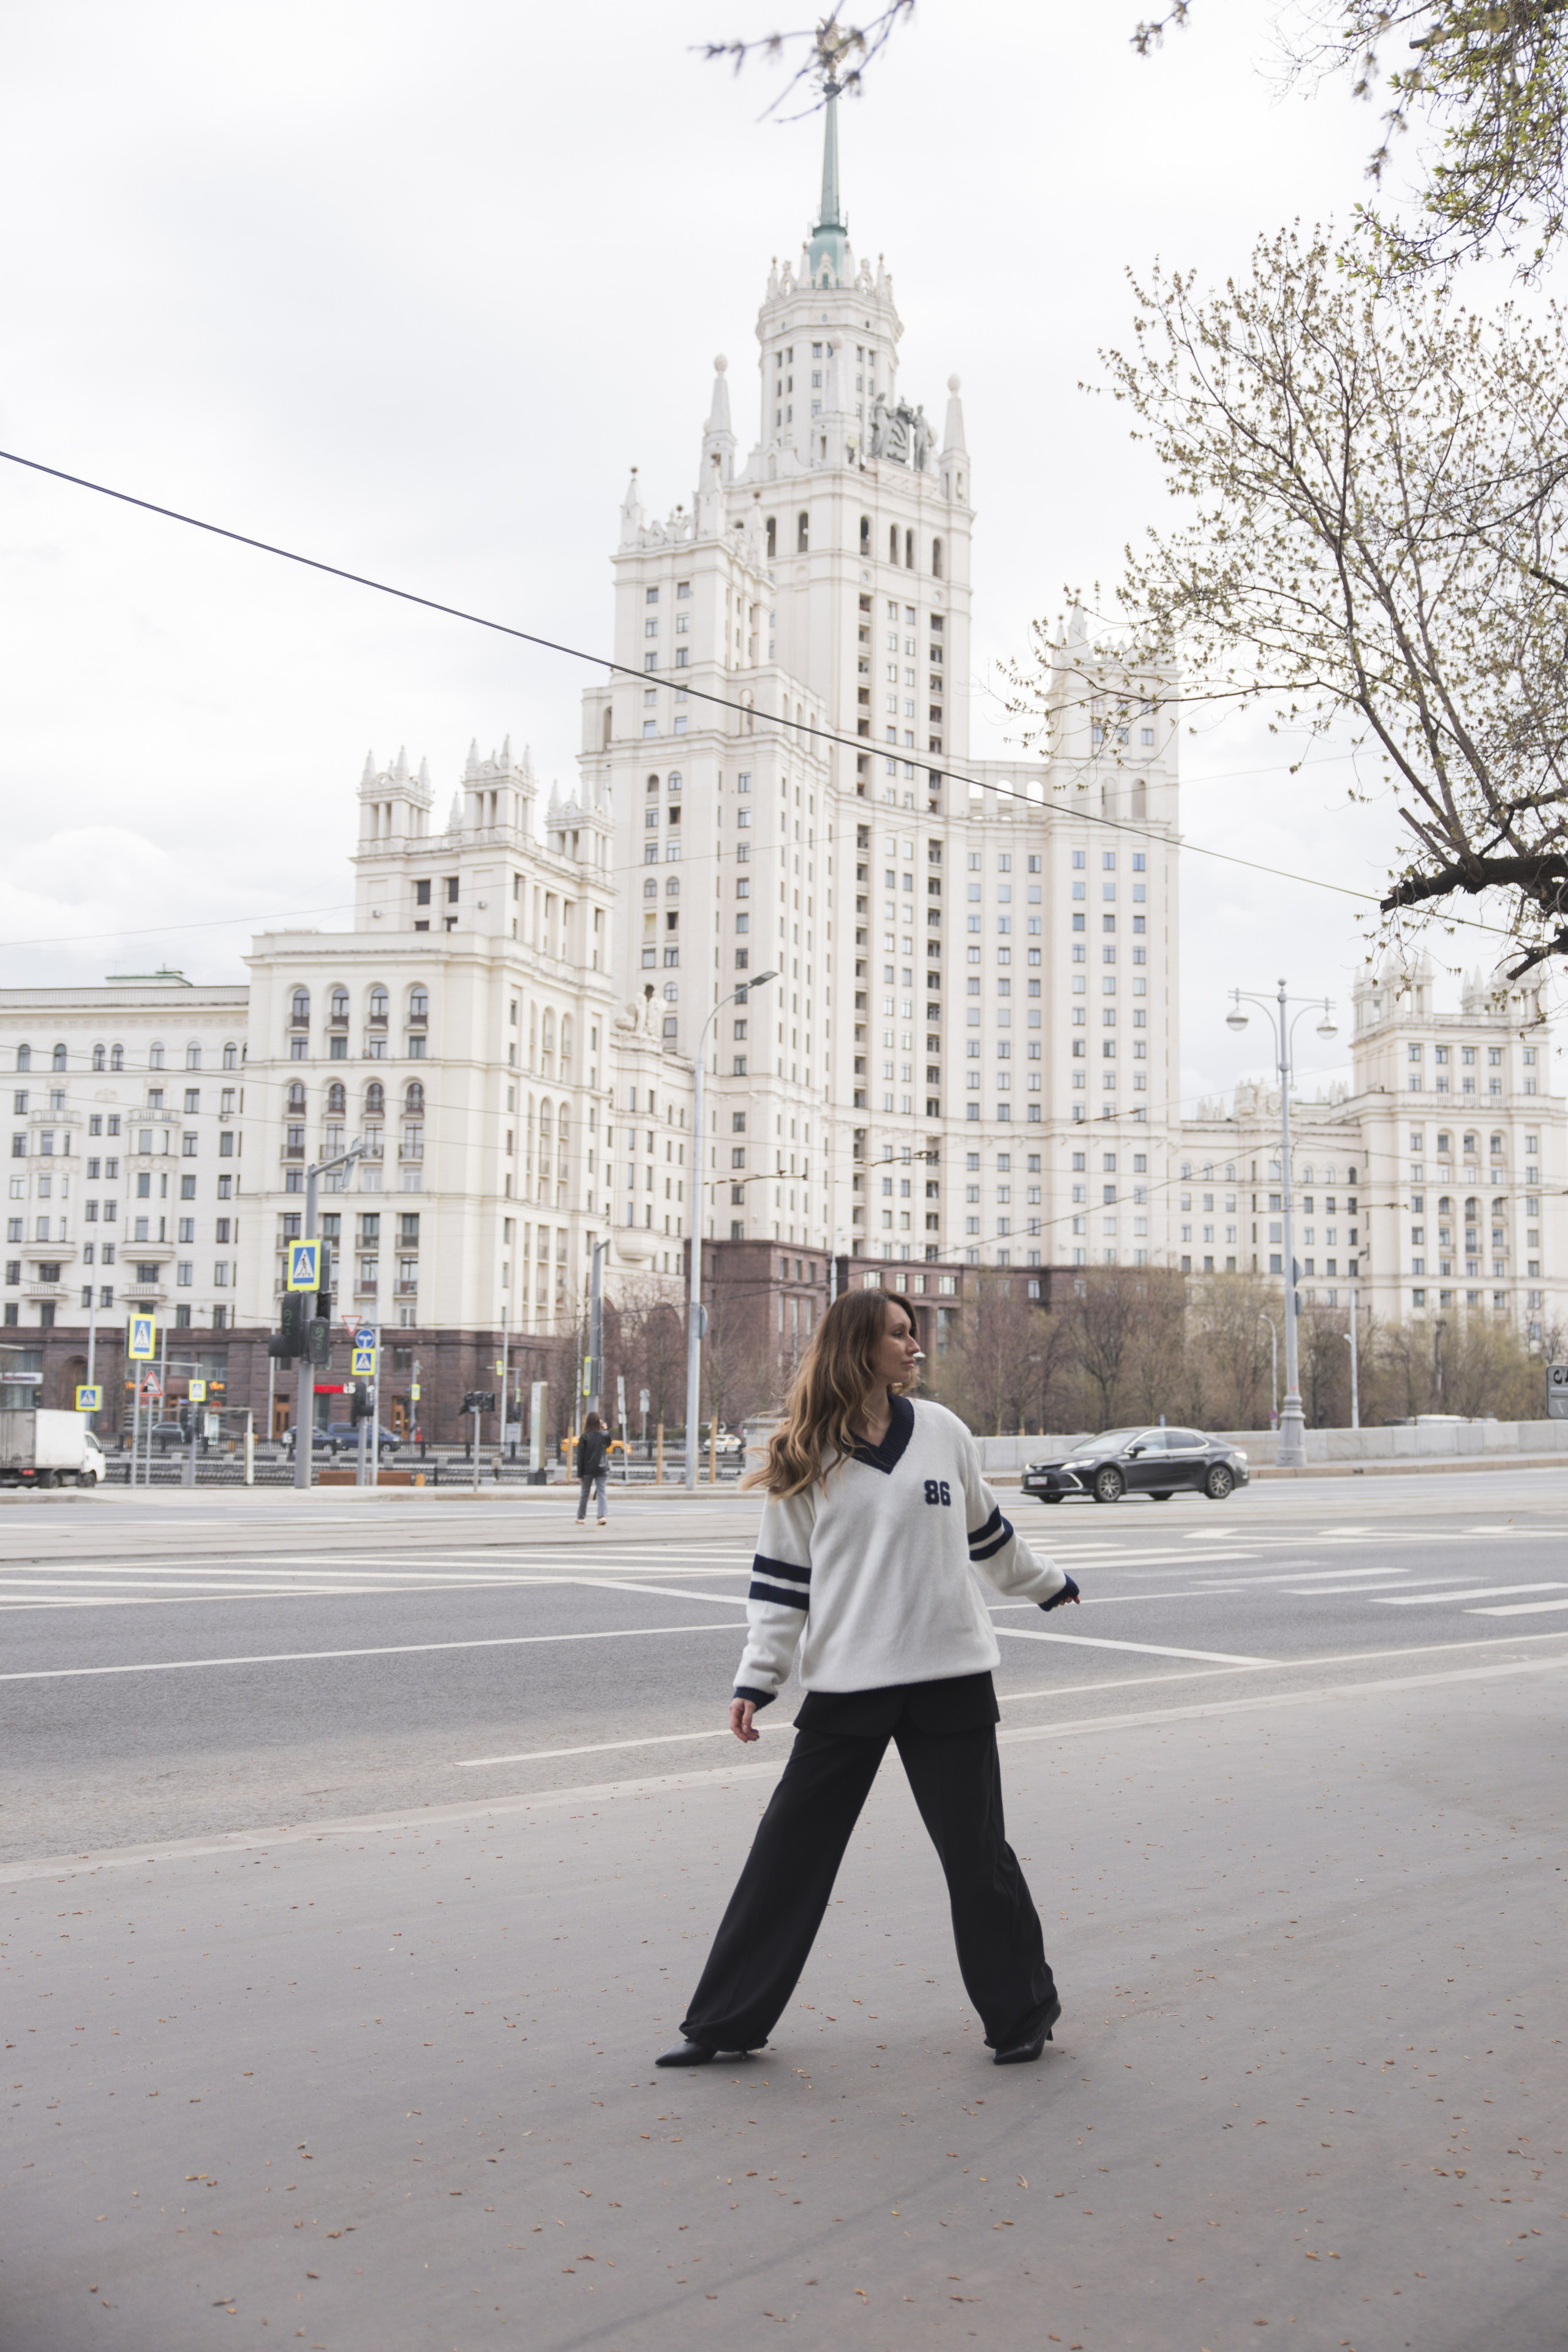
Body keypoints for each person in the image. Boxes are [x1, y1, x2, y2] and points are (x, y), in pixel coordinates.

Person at [655, 1289, 1080, 2073]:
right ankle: (724, 2022)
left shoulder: (945, 1432)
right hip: (850, 1683)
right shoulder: (802, 1453)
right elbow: (782, 1583)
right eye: (897, 1334)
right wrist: (758, 1678)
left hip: (949, 1676)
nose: (913, 1345)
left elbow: (987, 1533)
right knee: (786, 1855)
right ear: (858, 1347)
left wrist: (1046, 1582)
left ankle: (1023, 2014)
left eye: (913, 1333)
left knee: (977, 1859)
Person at [574, 1412, 610, 1526]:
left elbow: (580, 1457)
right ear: (598, 1422)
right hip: (602, 1469)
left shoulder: (584, 1437)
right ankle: (602, 1516)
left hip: (587, 1470)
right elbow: (609, 1444)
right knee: (602, 1492)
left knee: (585, 1493)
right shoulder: (604, 1435)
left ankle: (581, 1518)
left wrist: (579, 1474)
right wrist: (604, 1430)